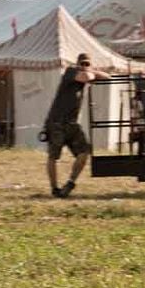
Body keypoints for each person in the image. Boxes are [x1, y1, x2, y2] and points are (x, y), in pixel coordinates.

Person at [44, 53, 110, 198]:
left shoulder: (85, 73)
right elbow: (87, 77)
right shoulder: (70, 71)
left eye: (87, 64)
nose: (84, 67)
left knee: (84, 152)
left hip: (72, 123)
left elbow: (107, 77)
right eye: (82, 64)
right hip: (57, 122)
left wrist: (93, 72)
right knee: (53, 156)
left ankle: (70, 183)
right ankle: (54, 188)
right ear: (77, 64)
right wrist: (92, 73)